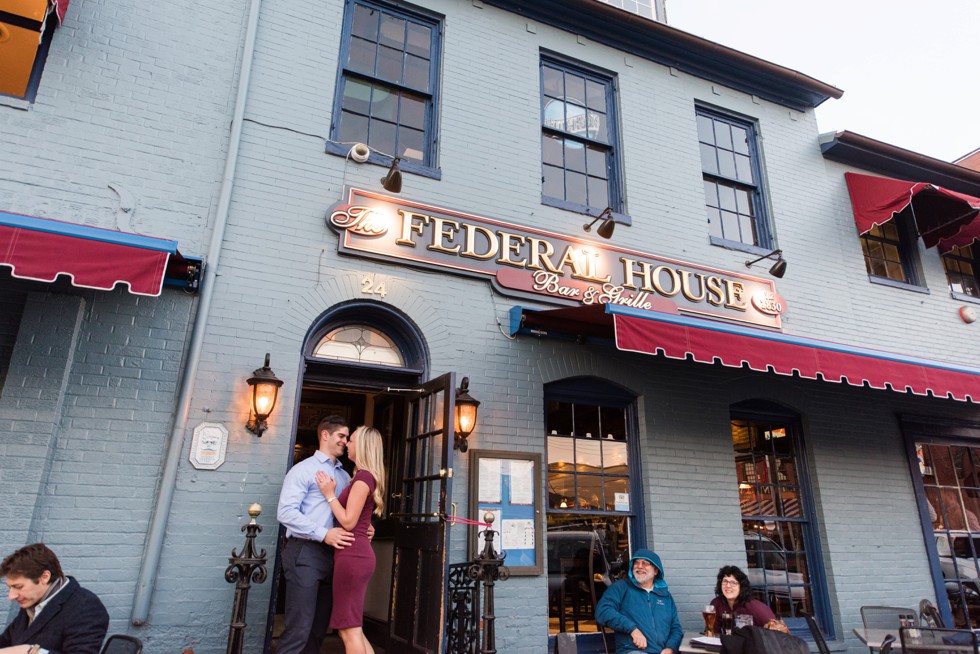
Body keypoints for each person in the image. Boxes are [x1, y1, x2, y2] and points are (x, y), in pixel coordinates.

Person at [276, 415, 355, 654]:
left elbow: (347, 513)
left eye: (347, 437)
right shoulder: (303, 470)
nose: (345, 441)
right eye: (341, 436)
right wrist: (323, 534)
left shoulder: (344, 476)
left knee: (318, 630)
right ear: (325, 435)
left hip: (334, 557)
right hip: (305, 552)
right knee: (299, 629)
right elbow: (286, 512)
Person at [316, 426, 386, 654]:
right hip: (355, 554)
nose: (347, 443)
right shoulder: (362, 477)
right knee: (353, 628)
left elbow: (347, 521)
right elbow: (360, 518)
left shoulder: (363, 478)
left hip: (352, 556)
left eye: (352, 440)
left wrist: (329, 494)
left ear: (363, 446)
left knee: (349, 629)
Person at [0, 543, 109, 654]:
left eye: (18, 587)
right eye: (10, 588)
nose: (11, 596)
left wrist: (31, 652)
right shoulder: (33, 599)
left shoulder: (86, 607)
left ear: (44, 577)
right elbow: (6, 642)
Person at [595, 549, 683, 654]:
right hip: (632, 650)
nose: (639, 566)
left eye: (645, 563)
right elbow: (603, 611)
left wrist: (670, 648)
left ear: (655, 570)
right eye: (636, 562)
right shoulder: (621, 587)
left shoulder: (665, 596)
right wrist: (632, 629)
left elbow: (676, 629)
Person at [709, 565, 789, 633]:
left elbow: (776, 631)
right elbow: (714, 632)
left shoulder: (754, 606)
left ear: (741, 586)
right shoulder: (716, 603)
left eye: (733, 583)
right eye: (725, 581)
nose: (728, 586)